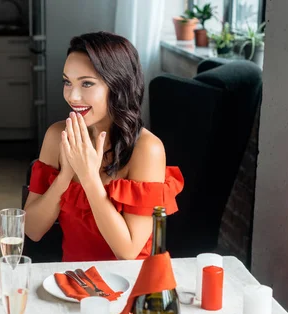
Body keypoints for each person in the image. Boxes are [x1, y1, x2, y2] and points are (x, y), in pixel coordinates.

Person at [24, 32, 184, 262]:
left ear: (118, 85)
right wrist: (65, 177)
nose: (72, 95)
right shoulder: (57, 135)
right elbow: (32, 230)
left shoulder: (147, 150)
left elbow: (127, 252)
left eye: (87, 83)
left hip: (130, 287)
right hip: (72, 283)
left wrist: (89, 178)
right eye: (67, 82)